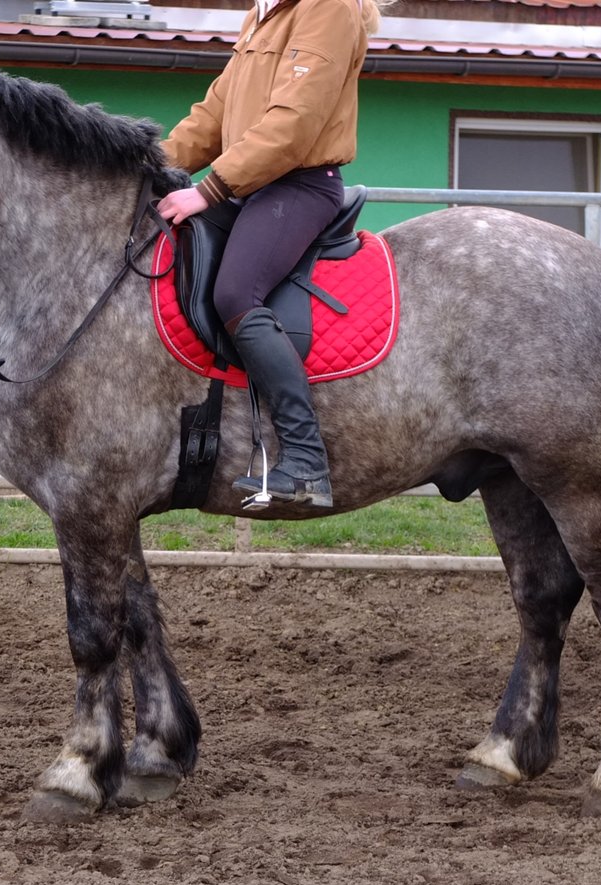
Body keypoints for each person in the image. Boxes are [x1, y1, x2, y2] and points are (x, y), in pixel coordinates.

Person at [157, 0, 385, 509]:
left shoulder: (328, 9)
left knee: (236, 290)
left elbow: (296, 119)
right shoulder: (263, 14)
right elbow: (213, 115)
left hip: (299, 185)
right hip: (253, 186)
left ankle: (306, 460)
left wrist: (208, 189)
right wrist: (147, 166)